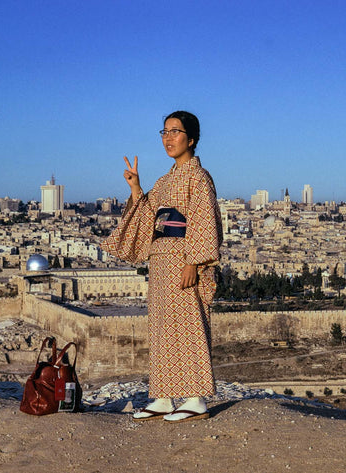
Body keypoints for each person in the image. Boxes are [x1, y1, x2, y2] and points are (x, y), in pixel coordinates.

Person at [100, 111, 222, 422]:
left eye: (176, 132)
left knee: (189, 325)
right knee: (163, 329)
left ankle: (195, 399)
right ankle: (165, 397)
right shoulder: (165, 180)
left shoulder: (199, 177)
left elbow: (204, 219)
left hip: (184, 259)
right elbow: (146, 215)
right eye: (164, 132)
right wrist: (136, 189)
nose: (168, 138)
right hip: (161, 260)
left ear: (191, 139)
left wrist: (194, 261)